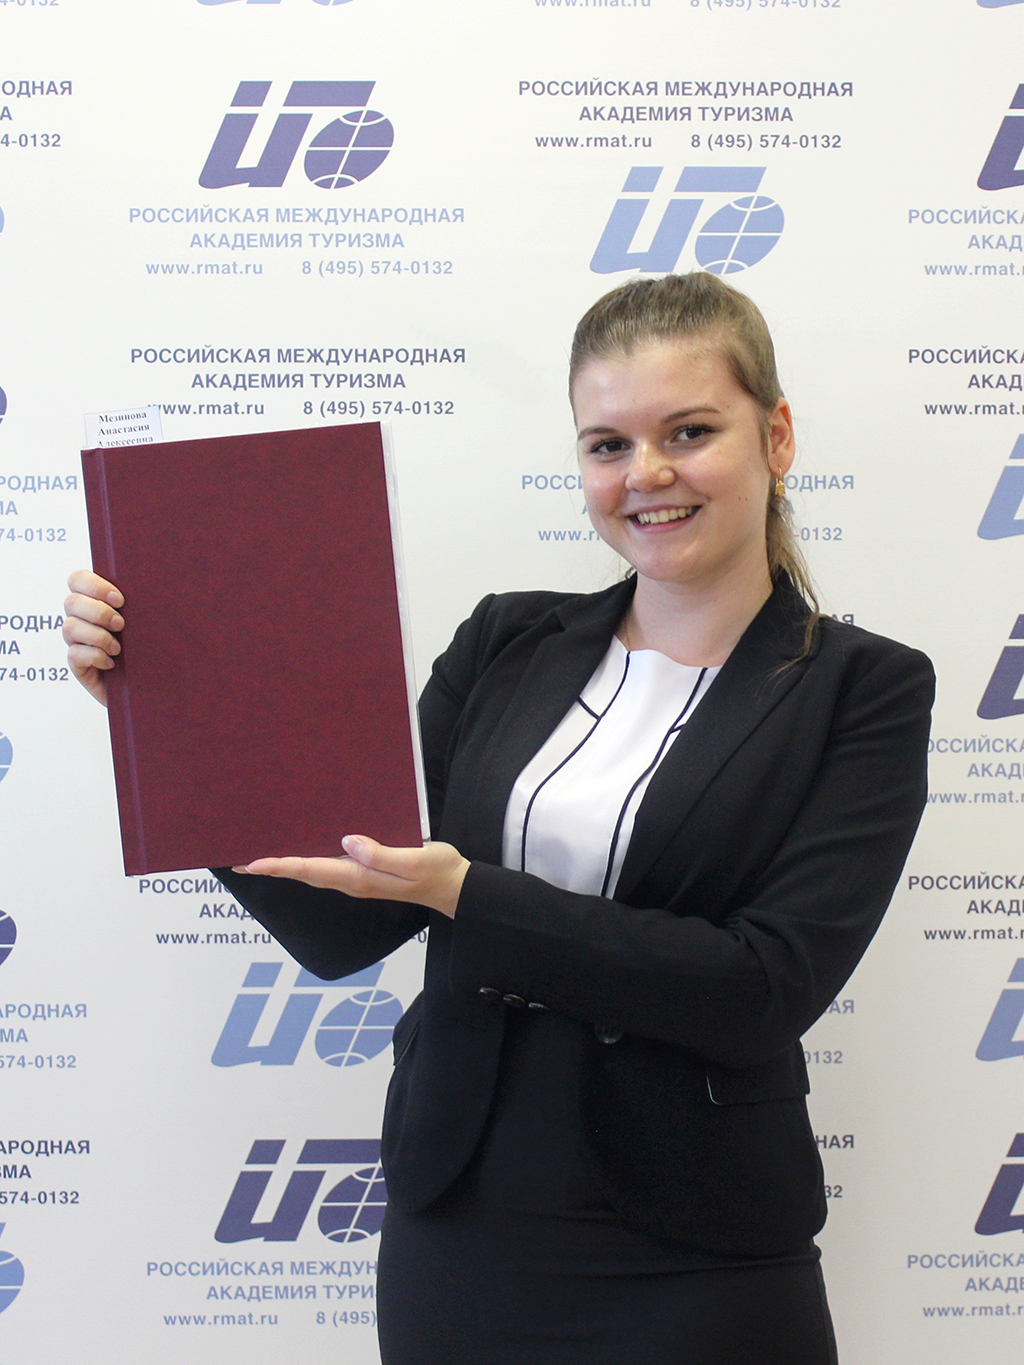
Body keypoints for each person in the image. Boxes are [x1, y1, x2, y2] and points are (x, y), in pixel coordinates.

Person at [65, 272, 934, 1365]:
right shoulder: (505, 642)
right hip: (463, 1222)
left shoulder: (864, 688)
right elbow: (344, 924)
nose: (646, 473)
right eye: (608, 444)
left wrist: (468, 895)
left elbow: (762, 987)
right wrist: (175, 717)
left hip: (702, 1246)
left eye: (689, 431)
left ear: (777, 436)